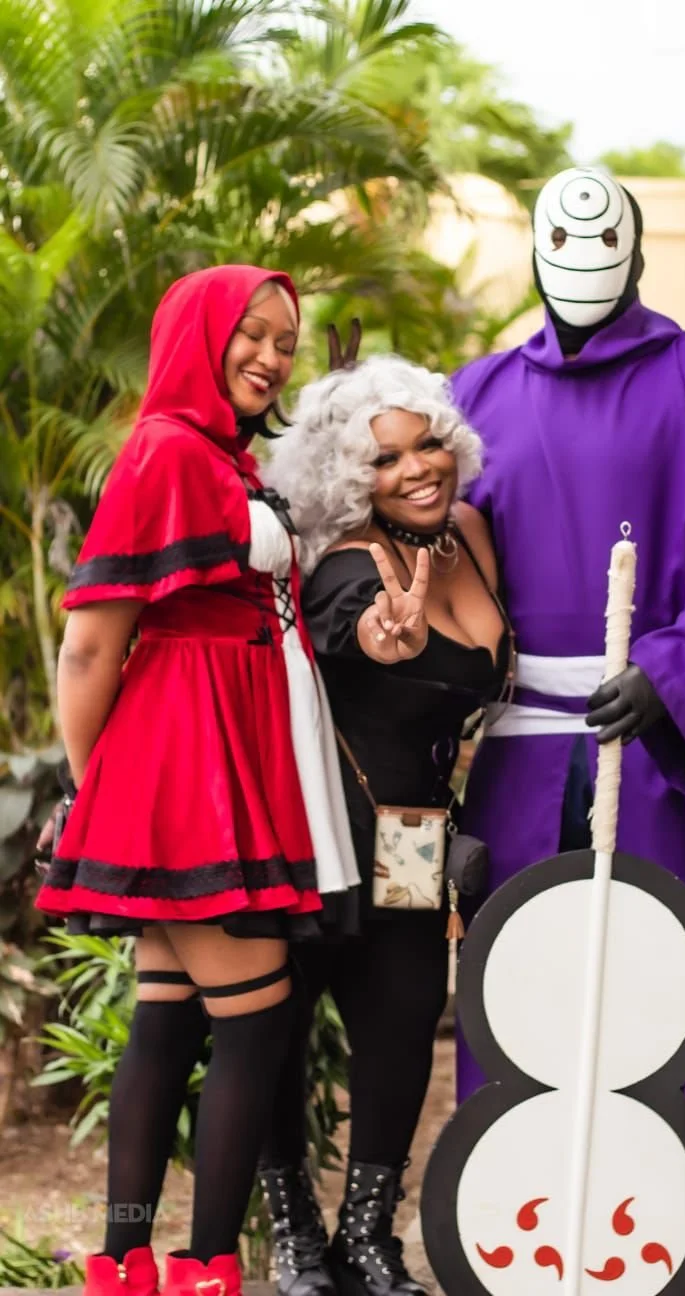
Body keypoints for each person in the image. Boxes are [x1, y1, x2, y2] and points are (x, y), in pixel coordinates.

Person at [450, 166, 685, 1296]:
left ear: (641, 256)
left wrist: (674, 672)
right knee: (527, 996)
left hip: (652, 741)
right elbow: (435, 565)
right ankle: (528, 1234)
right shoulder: (476, 394)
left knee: (662, 989)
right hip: (518, 752)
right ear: (536, 260)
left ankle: (675, 1244)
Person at [35, 265, 356, 1296]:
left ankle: (124, 1259)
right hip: (188, 765)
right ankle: (209, 1265)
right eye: (251, 334)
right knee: (256, 1019)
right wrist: (99, 794)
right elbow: (91, 647)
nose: (271, 357)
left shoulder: (217, 458)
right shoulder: (167, 451)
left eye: (285, 342)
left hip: (225, 759)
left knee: (170, 1014)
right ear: (198, 338)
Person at [258, 355, 513, 1296]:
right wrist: (381, 634)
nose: (417, 469)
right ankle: (294, 1237)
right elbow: (352, 626)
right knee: (280, 1036)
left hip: (413, 840)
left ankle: (368, 1238)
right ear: (347, 478)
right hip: (320, 838)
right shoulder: (345, 568)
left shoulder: (471, 535)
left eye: (428, 443)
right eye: (385, 458)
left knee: (403, 1030)